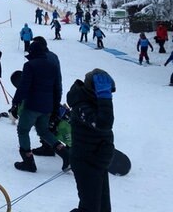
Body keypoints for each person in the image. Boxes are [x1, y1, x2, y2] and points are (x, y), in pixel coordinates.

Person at [10, 41, 69, 173]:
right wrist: (54, 105)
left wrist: (16, 102)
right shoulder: (53, 66)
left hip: (32, 105)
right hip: (47, 106)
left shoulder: (29, 65)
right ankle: (65, 154)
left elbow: (24, 86)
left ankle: (28, 162)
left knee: (23, 130)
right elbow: (57, 87)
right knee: (44, 131)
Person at [67, 69, 116, 212]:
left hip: (99, 161)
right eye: (106, 93)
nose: (109, 96)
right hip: (86, 163)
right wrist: (104, 98)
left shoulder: (94, 101)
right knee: (90, 209)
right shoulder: (81, 105)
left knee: (103, 208)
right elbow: (104, 124)